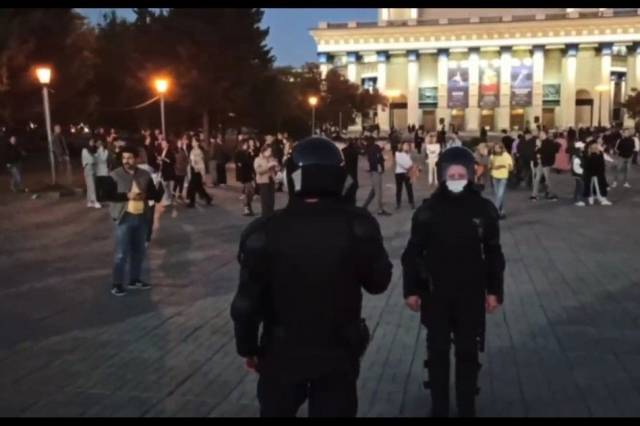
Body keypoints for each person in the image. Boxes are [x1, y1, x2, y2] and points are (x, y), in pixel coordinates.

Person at [230, 136, 392, 418]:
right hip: (337, 349)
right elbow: (379, 283)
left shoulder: (263, 230)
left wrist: (247, 347)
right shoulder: (358, 224)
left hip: (281, 350)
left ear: (292, 177)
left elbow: (246, 302)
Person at [401, 146, 505, 417]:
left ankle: (467, 405)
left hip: (470, 292)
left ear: (469, 175)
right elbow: (412, 253)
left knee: (468, 351)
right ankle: (439, 406)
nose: (456, 179)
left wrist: (494, 291)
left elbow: (493, 252)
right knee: (437, 351)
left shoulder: (483, 209)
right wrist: (411, 290)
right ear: (442, 176)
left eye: (461, 175)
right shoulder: (428, 211)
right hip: (435, 292)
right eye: (452, 175)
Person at [96, 145, 163, 296]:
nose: (126, 161)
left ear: (137, 159)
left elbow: (153, 194)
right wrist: (127, 196)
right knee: (121, 253)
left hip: (142, 217)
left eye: (130, 158)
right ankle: (117, 284)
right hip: (123, 218)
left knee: (139, 252)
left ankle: (134, 279)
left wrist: (154, 192)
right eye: (124, 158)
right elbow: (106, 195)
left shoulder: (144, 174)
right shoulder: (115, 175)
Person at [362, 138, 391, 216]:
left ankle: (364, 206)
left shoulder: (371, 148)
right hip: (376, 171)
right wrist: (382, 161)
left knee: (374, 190)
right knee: (378, 191)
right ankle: (380, 210)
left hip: (373, 171)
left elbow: (374, 158)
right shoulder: (375, 148)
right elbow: (376, 159)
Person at [531, 131, 560, 201]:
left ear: (545, 135)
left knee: (545, 179)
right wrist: (538, 150)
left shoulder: (547, 142)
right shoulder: (544, 142)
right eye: (539, 135)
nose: (540, 136)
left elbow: (547, 152)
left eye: (541, 134)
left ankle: (538, 195)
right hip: (542, 163)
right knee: (540, 178)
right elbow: (540, 151)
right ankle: (535, 195)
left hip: (545, 163)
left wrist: (539, 152)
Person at [583, 141, 613, 206]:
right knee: (591, 186)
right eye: (593, 145)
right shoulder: (587, 154)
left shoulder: (599, 153)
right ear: (590, 146)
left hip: (598, 173)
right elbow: (586, 165)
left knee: (599, 186)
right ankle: (592, 197)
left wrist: (602, 171)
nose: (595, 146)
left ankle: (602, 199)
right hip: (590, 173)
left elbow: (602, 164)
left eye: (596, 145)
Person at [488, 142, 513, 219]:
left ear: (501, 148)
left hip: (503, 176)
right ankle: (501, 212)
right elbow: (489, 166)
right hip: (495, 176)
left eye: (498, 148)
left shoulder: (506, 155)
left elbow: (510, 167)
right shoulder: (492, 156)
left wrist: (502, 166)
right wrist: (492, 166)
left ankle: (494, 211)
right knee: (497, 195)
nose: (496, 149)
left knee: (500, 194)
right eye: (495, 148)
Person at [186, 137, 213, 208]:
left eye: (194, 141)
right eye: (192, 141)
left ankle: (192, 202)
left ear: (197, 143)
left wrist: (202, 173)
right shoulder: (192, 150)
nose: (192, 143)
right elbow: (191, 160)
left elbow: (201, 163)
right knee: (199, 187)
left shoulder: (198, 151)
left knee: (192, 187)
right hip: (193, 170)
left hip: (197, 171)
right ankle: (208, 198)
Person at [254, 145, 279, 217]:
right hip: (263, 181)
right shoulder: (258, 159)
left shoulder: (272, 158)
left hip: (271, 180)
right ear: (264, 151)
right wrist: (268, 166)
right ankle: (265, 215)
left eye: (270, 151)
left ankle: (271, 213)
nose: (270, 152)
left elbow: (277, 169)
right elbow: (258, 171)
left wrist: (276, 166)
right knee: (265, 199)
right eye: (268, 151)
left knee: (271, 199)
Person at [235, 140, 256, 216]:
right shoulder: (240, 153)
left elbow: (251, 162)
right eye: (245, 144)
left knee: (250, 192)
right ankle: (246, 208)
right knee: (248, 192)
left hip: (249, 174)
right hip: (244, 175)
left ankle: (248, 208)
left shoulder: (247, 152)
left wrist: (251, 154)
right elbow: (243, 162)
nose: (246, 146)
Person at [395, 142, 416, 210]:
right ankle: (398, 203)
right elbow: (400, 163)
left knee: (409, 188)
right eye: (405, 145)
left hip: (407, 173)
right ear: (402, 146)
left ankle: (411, 202)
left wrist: (411, 167)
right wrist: (408, 167)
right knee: (399, 189)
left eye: (407, 145)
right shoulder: (397, 153)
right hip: (399, 173)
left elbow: (410, 163)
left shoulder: (408, 154)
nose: (406, 146)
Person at [81, 138, 101, 209]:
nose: (92, 143)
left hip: (94, 168)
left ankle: (89, 201)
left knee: (91, 185)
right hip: (88, 168)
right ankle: (95, 201)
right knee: (91, 185)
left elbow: (98, 158)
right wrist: (96, 157)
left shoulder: (93, 150)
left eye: (93, 141)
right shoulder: (85, 150)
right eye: (91, 141)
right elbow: (91, 160)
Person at [341, 138, 361, 206]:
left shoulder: (344, 150)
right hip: (353, 175)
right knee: (353, 194)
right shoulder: (355, 152)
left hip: (347, 173)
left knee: (344, 192)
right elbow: (362, 152)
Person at [158, 138, 176, 206]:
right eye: (162, 143)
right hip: (163, 170)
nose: (162, 144)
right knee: (165, 185)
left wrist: (164, 159)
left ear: (167, 144)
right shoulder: (162, 151)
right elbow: (162, 161)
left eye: (164, 143)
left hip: (169, 171)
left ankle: (169, 199)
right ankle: (168, 199)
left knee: (167, 186)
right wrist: (159, 160)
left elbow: (173, 161)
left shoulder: (170, 151)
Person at [571, 141, 587, 207]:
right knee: (581, 187)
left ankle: (576, 199)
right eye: (582, 146)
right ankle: (578, 200)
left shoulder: (579, 154)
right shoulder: (576, 156)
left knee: (578, 186)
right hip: (579, 174)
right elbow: (576, 167)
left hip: (578, 173)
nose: (584, 147)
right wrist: (583, 172)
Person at [173, 135, 189, 201]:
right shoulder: (174, 151)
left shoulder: (184, 151)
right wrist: (175, 166)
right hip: (177, 169)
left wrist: (185, 165)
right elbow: (173, 160)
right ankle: (173, 193)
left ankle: (180, 194)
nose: (180, 144)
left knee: (181, 182)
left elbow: (187, 159)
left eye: (181, 143)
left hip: (182, 169)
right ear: (177, 144)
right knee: (176, 182)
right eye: (179, 143)